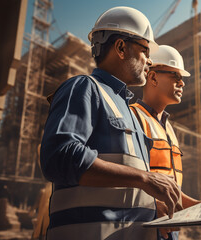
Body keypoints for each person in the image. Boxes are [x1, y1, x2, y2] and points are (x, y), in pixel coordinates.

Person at [40, 7, 182, 240]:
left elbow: (123, 190)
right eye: (145, 50)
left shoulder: (128, 111)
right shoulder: (83, 88)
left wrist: (153, 212)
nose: (149, 61)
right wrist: (144, 178)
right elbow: (59, 156)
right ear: (120, 48)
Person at [130, 45, 201, 240]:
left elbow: (170, 189)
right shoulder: (132, 116)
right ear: (153, 77)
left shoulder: (169, 128)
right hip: (143, 225)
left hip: (169, 226)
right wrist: (152, 206)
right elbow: (125, 178)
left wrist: (199, 205)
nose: (182, 83)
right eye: (175, 76)